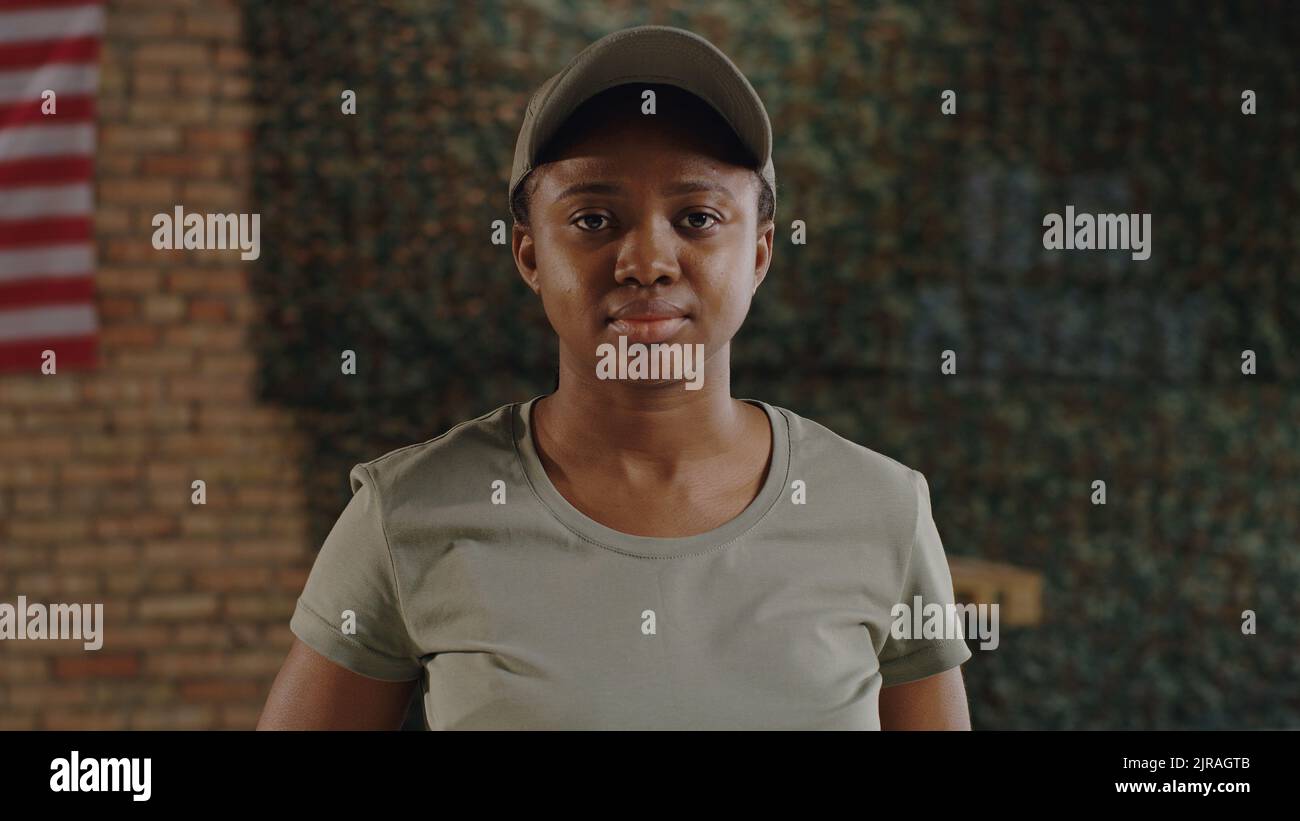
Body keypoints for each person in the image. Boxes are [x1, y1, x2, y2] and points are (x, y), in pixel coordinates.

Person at [258, 24, 971, 730]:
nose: (647, 261)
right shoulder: (406, 513)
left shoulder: (884, 511)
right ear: (531, 254)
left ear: (756, 255)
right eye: (594, 218)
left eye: (697, 217)